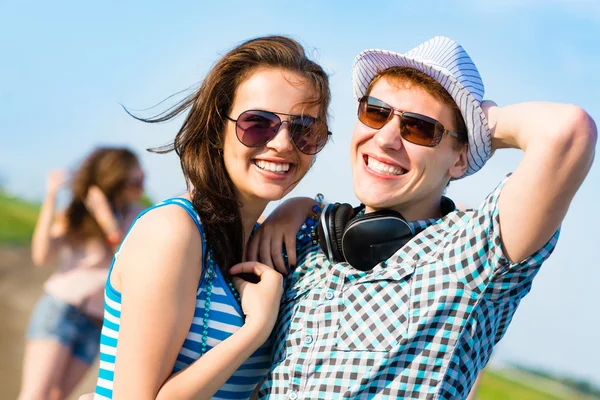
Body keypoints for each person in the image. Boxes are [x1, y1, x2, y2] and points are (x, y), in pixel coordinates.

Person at [249, 36, 597, 399]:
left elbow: (568, 131)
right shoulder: (309, 237)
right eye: (376, 112)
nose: (385, 139)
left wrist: (478, 123)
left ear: (459, 159)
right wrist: (297, 207)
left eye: (420, 128)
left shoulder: (472, 255)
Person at [91, 35, 331, 400]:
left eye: (304, 129)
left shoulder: (261, 243)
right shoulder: (174, 231)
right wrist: (256, 330)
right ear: (219, 126)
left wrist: (303, 206)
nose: (282, 144)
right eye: (258, 123)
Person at [20, 147, 144, 400]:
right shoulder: (78, 212)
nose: (140, 187)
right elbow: (42, 255)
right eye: (135, 181)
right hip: (61, 309)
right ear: (117, 180)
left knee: (57, 397)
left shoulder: (137, 216)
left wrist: (107, 220)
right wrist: (51, 197)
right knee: (35, 395)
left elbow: (131, 262)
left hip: (97, 322)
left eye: (142, 181)